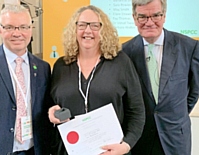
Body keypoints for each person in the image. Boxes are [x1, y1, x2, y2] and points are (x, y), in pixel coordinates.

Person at [48, 5, 145, 155]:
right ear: (74, 29)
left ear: (103, 30)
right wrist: (51, 112)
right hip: (70, 150)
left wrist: (126, 146)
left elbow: (137, 111)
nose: (88, 31)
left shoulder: (121, 63)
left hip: (112, 152)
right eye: (82, 25)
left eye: (95, 25)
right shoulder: (61, 66)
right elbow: (50, 105)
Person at [0, 4, 53, 155]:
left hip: (34, 151)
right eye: (10, 27)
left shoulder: (42, 68)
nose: (17, 33)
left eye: (23, 27)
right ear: (0, 29)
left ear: (30, 29)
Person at [122, 0, 199, 155]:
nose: (149, 22)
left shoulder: (188, 47)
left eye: (155, 16)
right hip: (140, 139)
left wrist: (175, 114)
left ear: (164, 16)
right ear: (134, 18)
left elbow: (194, 89)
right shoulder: (125, 52)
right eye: (142, 17)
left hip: (175, 137)